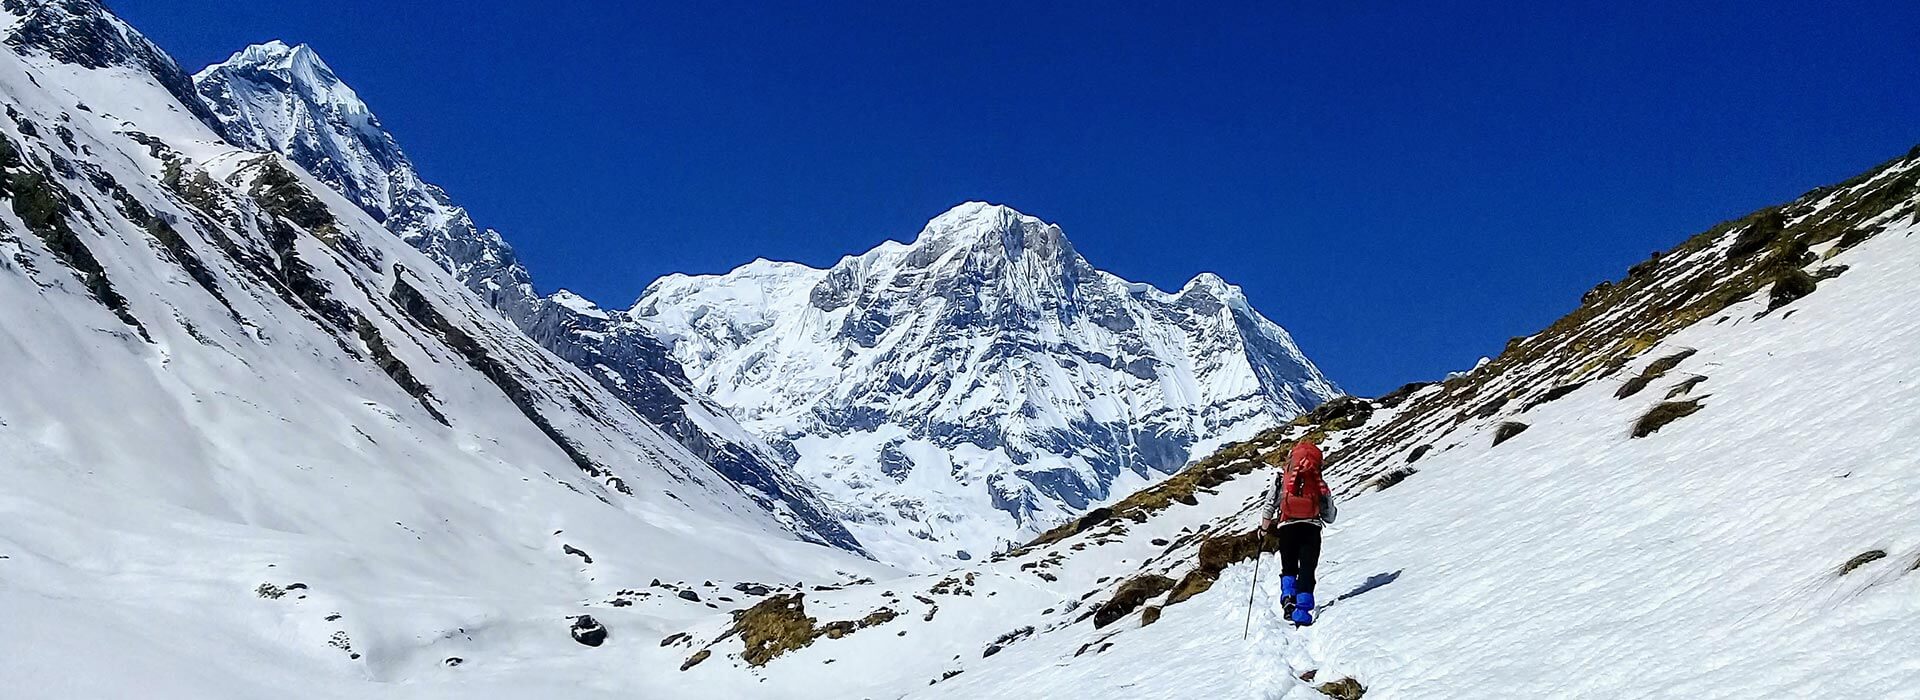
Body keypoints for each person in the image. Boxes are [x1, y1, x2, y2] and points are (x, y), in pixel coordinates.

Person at [1261, 439, 1336, 626]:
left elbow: (1269, 504)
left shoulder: (1282, 480)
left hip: (1287, 528)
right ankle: (1302, 611)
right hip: (1311, 529)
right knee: (1307, 569)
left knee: (1289, 568)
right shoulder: (1318, 482)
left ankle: (1288, 598)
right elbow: (1329, 516)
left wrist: (1263, 529)